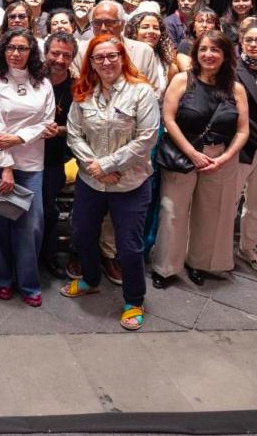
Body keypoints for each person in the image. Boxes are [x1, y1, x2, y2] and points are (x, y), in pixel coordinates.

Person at [61, 34, 160, 331]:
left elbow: (147, 139)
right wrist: (95, 168)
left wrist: (106, 165)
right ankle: (90, 279)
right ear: (90, 62)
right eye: (98, 57)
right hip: (91, 182)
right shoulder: (83, 92)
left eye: (111, 56)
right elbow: (73, 134)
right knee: (82, 234)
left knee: (129, 247)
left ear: (122, 57)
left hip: (130, 184)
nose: (106, 62)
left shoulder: (141, 92)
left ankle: (133, 300)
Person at [151, 31, 248, 288]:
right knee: (173, 212)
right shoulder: (183, 80)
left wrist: (225, 157)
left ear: (226, 55)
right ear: (196, 53)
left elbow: (242, 130)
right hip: (183, 154)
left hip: (221, 158)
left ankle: (200, 263)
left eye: (215, 50)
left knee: (212, 215)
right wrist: (192, 153)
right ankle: (165, 267)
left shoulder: (236, 88)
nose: (209, 55)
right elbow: (168, 119)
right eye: (204, 49)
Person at [0, 29, 54, 307]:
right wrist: (7, 165)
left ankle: (28, 283)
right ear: (3, 50)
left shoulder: (43, 83)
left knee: (31, 224)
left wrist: (19, 137)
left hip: (32, 162)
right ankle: (0, 280)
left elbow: (46, 123)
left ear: (32, 52)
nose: (16, 53)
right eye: (11, 47)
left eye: (22, 48)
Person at [39, 33, 78, 279]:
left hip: (55, 157)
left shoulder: (76, 88)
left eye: (66, 55)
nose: (60, 59)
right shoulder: (33, 79)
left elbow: (82, 126)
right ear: (45, 53)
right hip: (23, 154)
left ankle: (48, 255)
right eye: (55, 53)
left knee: (47, 208)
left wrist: (59, 130)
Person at [124, 11, 186, 100]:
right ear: (134, 31)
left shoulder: (168, 66)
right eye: (145, 27)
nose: (151, 31)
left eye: (156, 28)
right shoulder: (122, 57)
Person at [235, 21, 257, 269]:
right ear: (242, 41)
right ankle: (218, 253)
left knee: (255, 205)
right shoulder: (233, 70)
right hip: (242, 145)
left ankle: (248, 248)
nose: (254, 44)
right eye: (250, 40)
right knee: (229, 203)